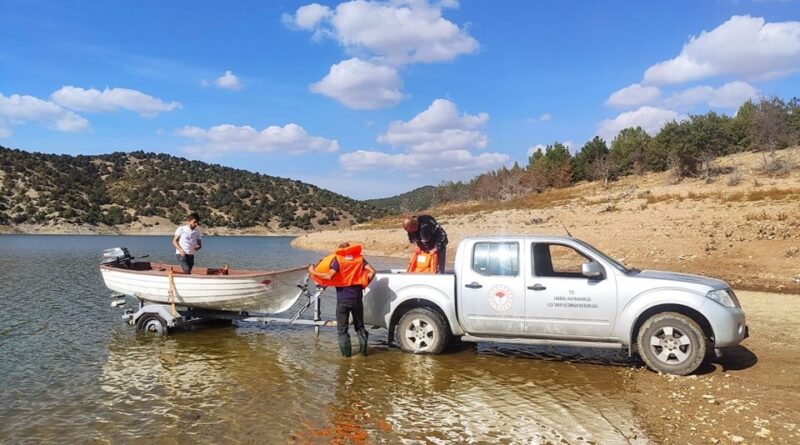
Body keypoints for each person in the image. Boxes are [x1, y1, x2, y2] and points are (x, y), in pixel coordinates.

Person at [308, 242, 376, 357]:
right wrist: (364, 284)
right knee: (360, 327)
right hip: (357, 298)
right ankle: (364, 354)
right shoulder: (359, 259)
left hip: (343, 300)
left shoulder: (338, 260)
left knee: (342, 330)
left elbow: (330, 276)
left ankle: (346, 358)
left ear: (341, 250)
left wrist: (313, 272)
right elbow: (373, 271)